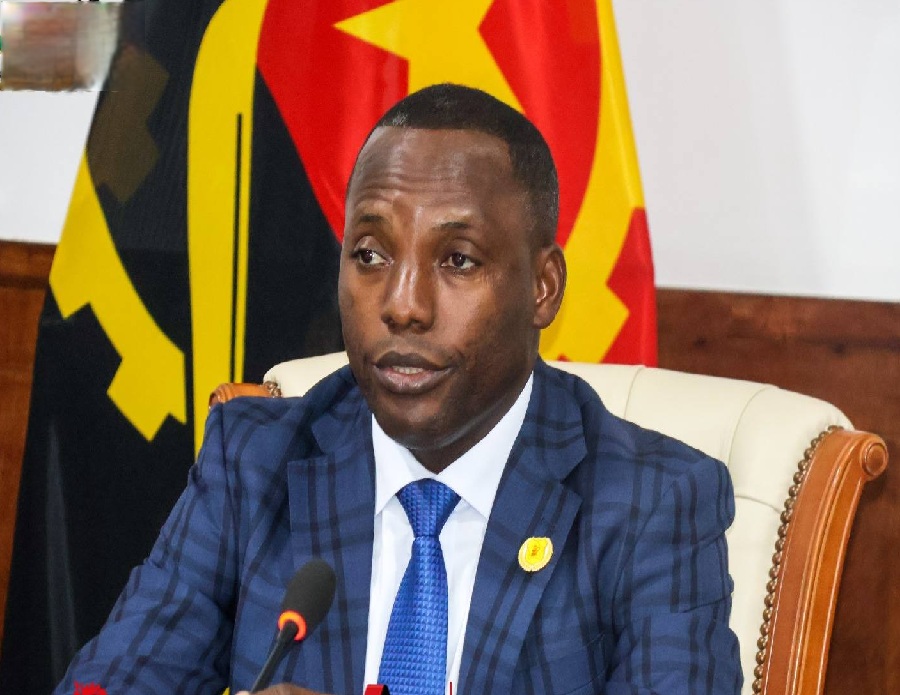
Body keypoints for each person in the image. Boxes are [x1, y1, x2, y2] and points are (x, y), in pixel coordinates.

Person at [54, 83, 741, 695]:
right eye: (371, 255)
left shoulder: (652, 503)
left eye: (458, 260)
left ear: (543, 287)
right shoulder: (254, 465)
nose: (403, 305)